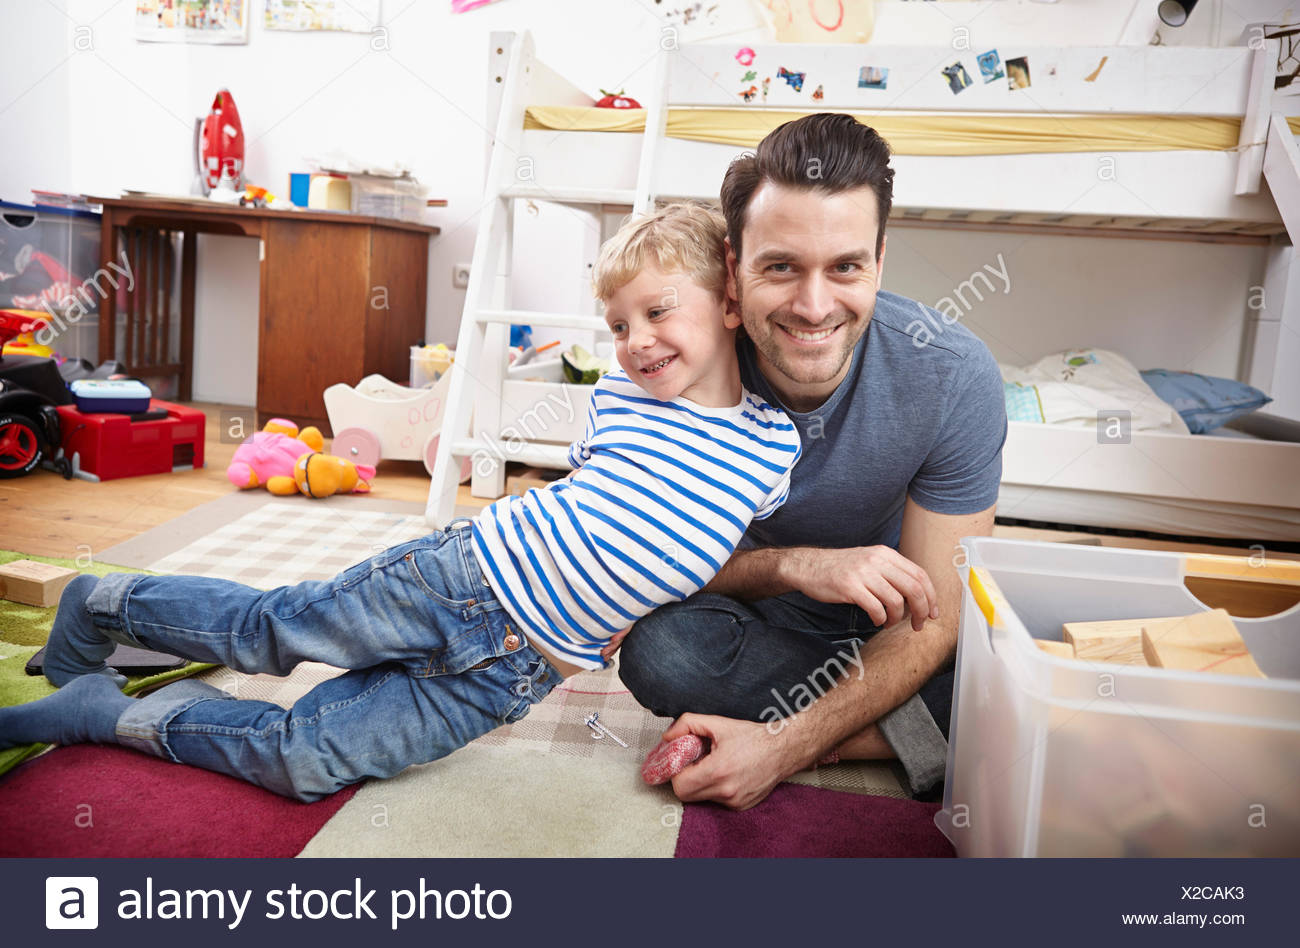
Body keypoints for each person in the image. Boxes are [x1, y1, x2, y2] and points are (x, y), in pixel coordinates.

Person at [0, 204, 802, 802]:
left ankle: (104, 715)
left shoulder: (774, 449)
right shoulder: (625, 399)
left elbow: (689, 544)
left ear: (729, 302)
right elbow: (593, 496)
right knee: (272, 630)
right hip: (461, 576)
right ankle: (99, 601)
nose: (635, 342)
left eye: (658, 313)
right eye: (620, 324)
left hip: (515, 674)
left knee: (304, 760)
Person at [615, 113, 1007, 809]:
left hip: (899, 629)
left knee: (1006, 666)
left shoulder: (954, 375)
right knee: (661, 650)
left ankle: (791, 735)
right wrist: (795, 565)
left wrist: (784, 747)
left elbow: (937, 617)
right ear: (734, 268)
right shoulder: (677, 370)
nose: (814, 305)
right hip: (759, 625)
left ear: (880, 262)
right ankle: (909, 734)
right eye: (781, 267)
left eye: (846, 267)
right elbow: (651, 569)